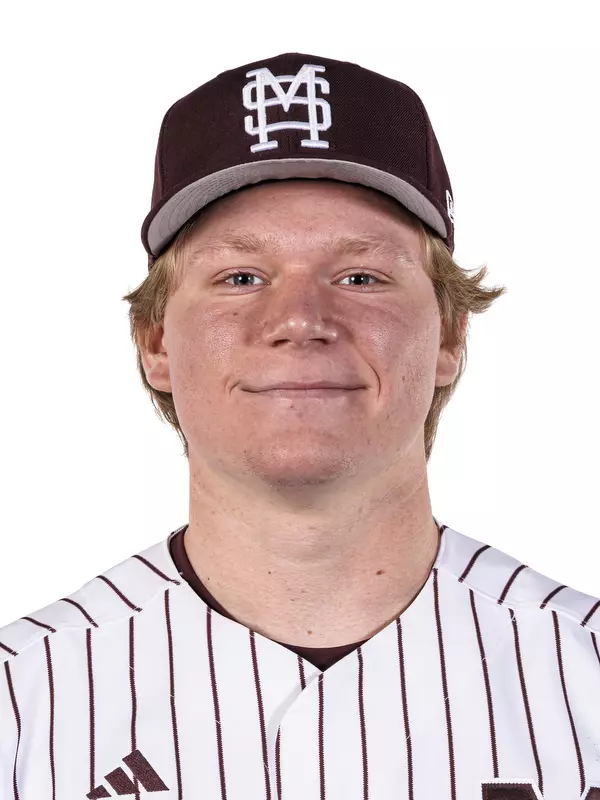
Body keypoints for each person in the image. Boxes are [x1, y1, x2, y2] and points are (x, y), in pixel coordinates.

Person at [1, 52, 599, 800]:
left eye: (361, 277)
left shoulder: (586, 675)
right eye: (239, 278)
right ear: (156, 342)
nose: (299, 320)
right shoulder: (22, 703)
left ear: (449, 336)